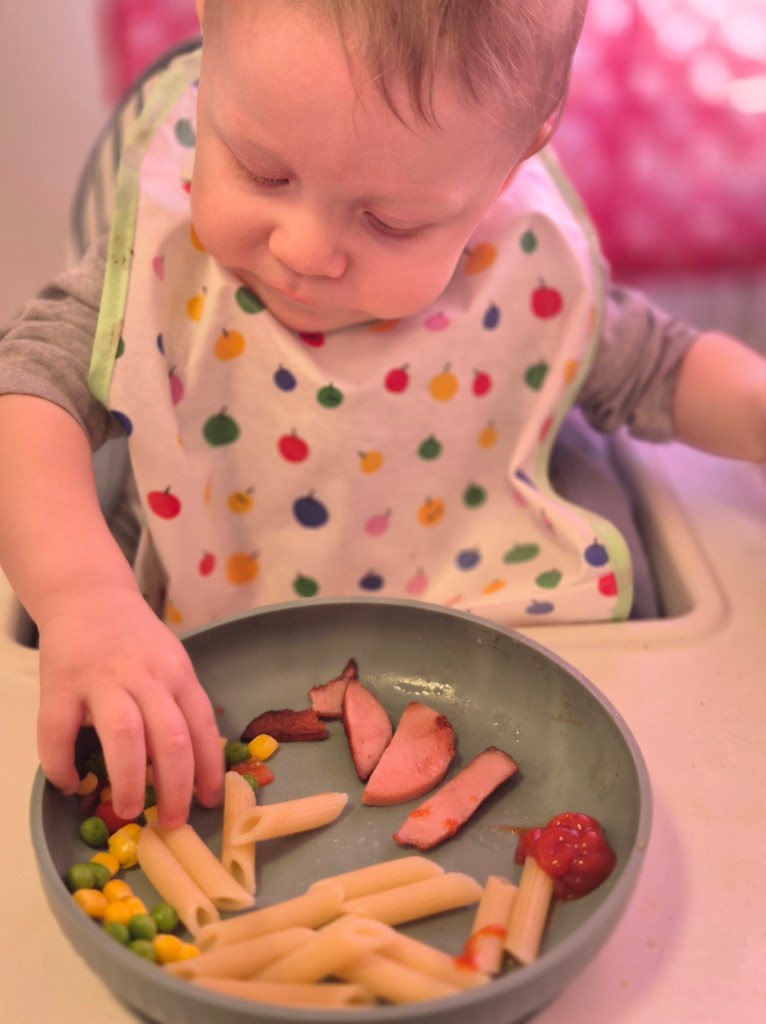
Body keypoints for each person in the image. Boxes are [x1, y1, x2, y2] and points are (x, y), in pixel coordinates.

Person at [0, 0, 764, 829]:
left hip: (494, 659)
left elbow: (663, 368)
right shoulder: (167, 263)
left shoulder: (520, 275)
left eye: (390, 222)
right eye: (260, 171)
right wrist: (83, 599)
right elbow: (28, 390)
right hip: (217, 665)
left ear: (511, 164)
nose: (302, 251)